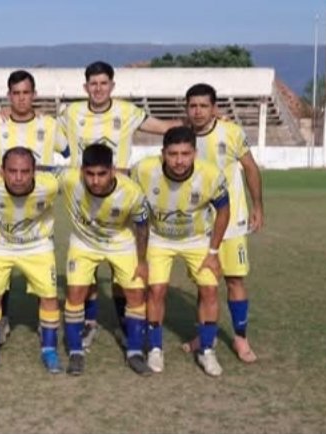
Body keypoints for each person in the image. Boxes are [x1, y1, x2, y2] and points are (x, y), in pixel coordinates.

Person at [58, 60, 181, 349]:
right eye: (93, 83)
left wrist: (204, 121)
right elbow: (44, 129)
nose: (98, 88)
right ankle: (89, 323)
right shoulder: (71, 112)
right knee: (86, 269)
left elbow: (164, 127)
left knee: (120, 268)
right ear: (85, 87)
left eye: (104, 83)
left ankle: (126, 323)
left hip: (119, 197)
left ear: (112, 85)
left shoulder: (127, 111)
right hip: (85, 197)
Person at [132, 126, 230, 377]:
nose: (179, 160)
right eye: (173, 154)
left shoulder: (210, 175)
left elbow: (224, 210)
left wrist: (213, 252)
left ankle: (207, 350)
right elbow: (131, 204)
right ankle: (155, 348)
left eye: (185, 154)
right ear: (163, 153)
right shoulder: (144, 171)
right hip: (158, 238)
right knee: (156, 290)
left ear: (195, 153)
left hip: (197, 239)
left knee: (209, 289)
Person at [0, 69, 68, 344]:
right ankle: (1, 319)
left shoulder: (49, 125)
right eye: (16, 93)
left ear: (34, 94)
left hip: (37, 206)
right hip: (4, 205)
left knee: (43, 271)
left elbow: (68, 153)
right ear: (9, 95)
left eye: (26, 93)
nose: (21, 98)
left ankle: (45, 322)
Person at [180, 83, 264, 363]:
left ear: (214, 108)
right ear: (186, 109)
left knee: (235, 279)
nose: (198, 111)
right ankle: (205, 335)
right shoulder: (184, 137)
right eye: (193, 106)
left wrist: (258, 206)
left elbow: (250, 167)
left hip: (232, 222)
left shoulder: (231, 131)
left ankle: (240, 338)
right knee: (204, 284)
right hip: (199, 225)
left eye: (204, 106)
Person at [61, 144, 150, 376]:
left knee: (136, 294)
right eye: (90, 174)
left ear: (113, 170)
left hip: (121, 242)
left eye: (102, 174)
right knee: (75, 294)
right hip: (84, 243)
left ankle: (135, 352)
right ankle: (76, 352)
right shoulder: (70, 180)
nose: (95, 181)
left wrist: (142, 261)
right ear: (82, 171)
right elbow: (40, 173)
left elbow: (142, 226)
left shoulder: (132, 192)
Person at [0, 147, 62, 374]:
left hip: (38, 246)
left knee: (49, 297)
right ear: (1, 171)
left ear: (34, 172)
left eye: (25, 171)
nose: (18, 178)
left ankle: (49, 349)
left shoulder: (50, 185)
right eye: (12, 171)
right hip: (0, 246)